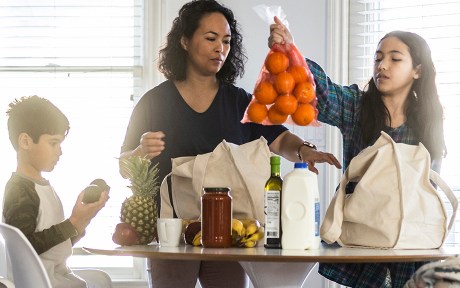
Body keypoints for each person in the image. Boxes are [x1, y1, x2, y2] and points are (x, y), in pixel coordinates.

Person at [119, 1, 341, 287]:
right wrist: (139, 152)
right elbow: (125, 166)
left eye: (226, 41)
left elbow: (279, 137)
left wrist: (305, 151)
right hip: (171, 232)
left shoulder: (238, 102)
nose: (220, 48)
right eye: (210, 38)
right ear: (185, 41)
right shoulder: (154, 102)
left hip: (229, 230)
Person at [269, 17, 446, 288]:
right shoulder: (356, 107)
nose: (382, 65)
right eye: (378, 58)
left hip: (413, 245)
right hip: (362, 240)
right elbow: (322, 94)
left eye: (395, 59)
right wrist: (290, 53)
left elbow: (430, 185)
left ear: (417, 70)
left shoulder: (428, 121)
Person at [3, 95, 110, 288]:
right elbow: (25, 247)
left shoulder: (44, 186)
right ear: (25, 141)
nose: (59, 151)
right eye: (53, 143)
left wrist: (82, 220)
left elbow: (54, 249)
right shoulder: (19, 190)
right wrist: (73, 222)